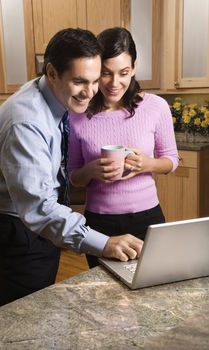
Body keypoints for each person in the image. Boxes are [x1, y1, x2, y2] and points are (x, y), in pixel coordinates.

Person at [0, 28, 143, 307]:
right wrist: (105, 243)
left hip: (34, 228)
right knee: (28, 324)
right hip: (17, 233)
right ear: (52, 73)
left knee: (41, 314)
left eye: (93, 80)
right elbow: (39, 209)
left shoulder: (52, 96)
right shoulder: (26, 123)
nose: (90, 92)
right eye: (80, 81)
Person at [68, 27, 179, 268]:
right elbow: (74, 176)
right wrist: (91, 171)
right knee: (104, 296)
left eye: (124, 73)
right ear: (96, 70)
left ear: (134, 69)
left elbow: (171, 159)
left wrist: (147, 164)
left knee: (151, 289)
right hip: (99, 224)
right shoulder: (77, 115)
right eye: (106, 73)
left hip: (147, 218)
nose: (115, 83)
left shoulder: (155, 107)